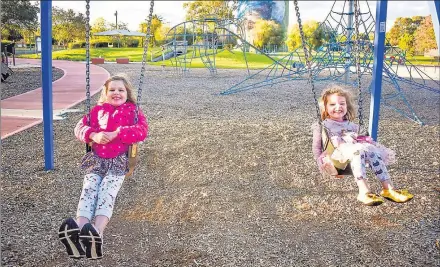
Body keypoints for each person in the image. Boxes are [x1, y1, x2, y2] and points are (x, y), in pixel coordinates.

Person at [58, 74, 148, 260]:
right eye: (112, 90)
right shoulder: (96, 111)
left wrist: (119, 133)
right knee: (89, 190)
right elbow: (79, 128)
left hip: (118, 162)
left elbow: (142, 131)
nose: (116, 93)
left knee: (106, 193)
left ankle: (96, 233)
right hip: (96, 161)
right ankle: (80, 230)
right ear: (105, 94)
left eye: (120, 90)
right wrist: (93, 135)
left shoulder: (133, 111)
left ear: (127, 93)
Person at [312, 85, 413, 206]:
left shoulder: (353, 126)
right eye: (332, 104)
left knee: (371, 149)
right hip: (335, 160)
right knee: (358, 150)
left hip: (354, 157)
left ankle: (388, 188)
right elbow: (316, 148)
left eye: (342, 103)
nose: (338, 107)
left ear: (347, 106)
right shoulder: (322, 126)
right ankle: (363, 191)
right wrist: (321, 164)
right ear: (325, 107)